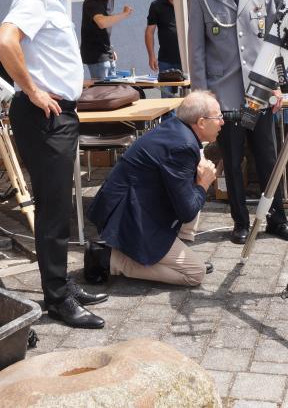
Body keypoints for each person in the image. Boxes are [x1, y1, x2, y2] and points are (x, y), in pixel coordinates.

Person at [0, 0, 107, 329]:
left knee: (59, 205)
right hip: (45, 115)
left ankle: (62, 285)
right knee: (54, 210)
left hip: (57, 113)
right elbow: (5, 41)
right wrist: (33, 89)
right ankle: (57, 299)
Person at [188, 0, 288, 245]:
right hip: (224, 96)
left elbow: (275, 40)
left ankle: (277, 219)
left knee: (269, 158)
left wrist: (278, 84)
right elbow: (196, 51)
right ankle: (240, 221)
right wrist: (203, 98)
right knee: (233, 161)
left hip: (260, 91)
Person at [84, 91, 222, 285]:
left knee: (195, 180)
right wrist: (204, 184)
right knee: (195, 274)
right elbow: (187, 212)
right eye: (219, 117)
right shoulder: (183, 146)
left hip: (131, 203)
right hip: (130, 216)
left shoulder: (176, 128)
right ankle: (107, 259)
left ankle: (176, 250)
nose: (222, 122)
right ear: (200, 122)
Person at [81, 0, 133, 80]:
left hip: (107, 53)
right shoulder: (92, 1)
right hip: (96, 56)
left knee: (113, 89)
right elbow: (102, 23)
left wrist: (111, 48)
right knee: (103, 92)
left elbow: (106, 27)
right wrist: (124, 14)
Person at [145, 0, 182, 98]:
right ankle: (168, 118)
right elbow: (150, 31)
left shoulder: (188, 2)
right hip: (166, 60)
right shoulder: (157, 5)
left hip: (187, 59)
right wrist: (151, 56)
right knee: (167, 98)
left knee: (190, 97)